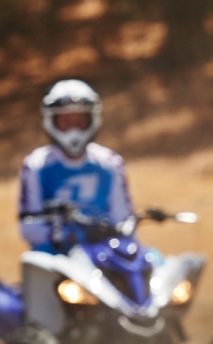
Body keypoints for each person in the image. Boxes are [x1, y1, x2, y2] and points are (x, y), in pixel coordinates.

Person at [18, 79, 133, 253]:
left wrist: (112, 234)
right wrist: (70, 235)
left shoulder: (110, 163)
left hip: (104, 253)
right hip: (54, 256)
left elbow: (123, 219)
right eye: (66, 122)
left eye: (79, 121)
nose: (73, 130)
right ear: (52, 121)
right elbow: (28, 226)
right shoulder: (36, 166)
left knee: (154, 260)